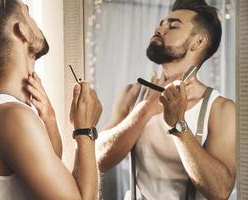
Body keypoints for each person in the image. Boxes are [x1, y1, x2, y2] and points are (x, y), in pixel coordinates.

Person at [0, 0, 102, 199]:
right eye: (27, 13)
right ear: (21, 30)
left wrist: (49, 119)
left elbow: (46, 172)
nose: (34, 22)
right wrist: (85, 130)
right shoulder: (11, 116)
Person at [97, 0, 236, 199]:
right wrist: (143, 112)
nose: (160, 28)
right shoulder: (133, 95)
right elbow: (99, 160)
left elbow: (220, 191)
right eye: (162, 23)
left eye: (173, 25)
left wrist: (178, 125)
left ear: (198, 42)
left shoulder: (221, 109)